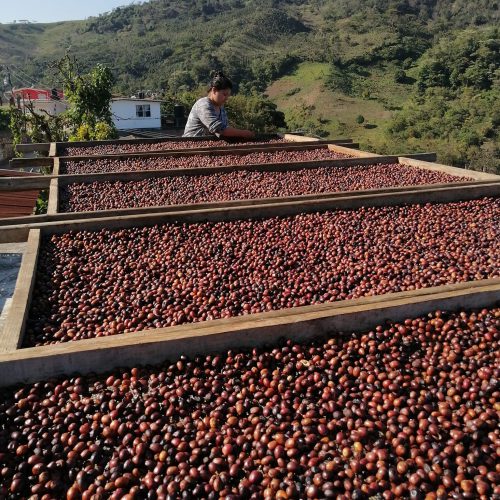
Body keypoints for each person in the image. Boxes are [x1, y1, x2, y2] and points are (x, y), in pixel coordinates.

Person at [183, 71, 255, 139]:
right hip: (192, 143)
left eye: (228, 95)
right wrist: (243, 133)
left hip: (210, 145)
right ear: (214, 90)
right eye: (224, 94)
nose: (226, 98)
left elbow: (224, 129)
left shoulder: (221, 107)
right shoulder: (203, 104)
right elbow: (219, 129)